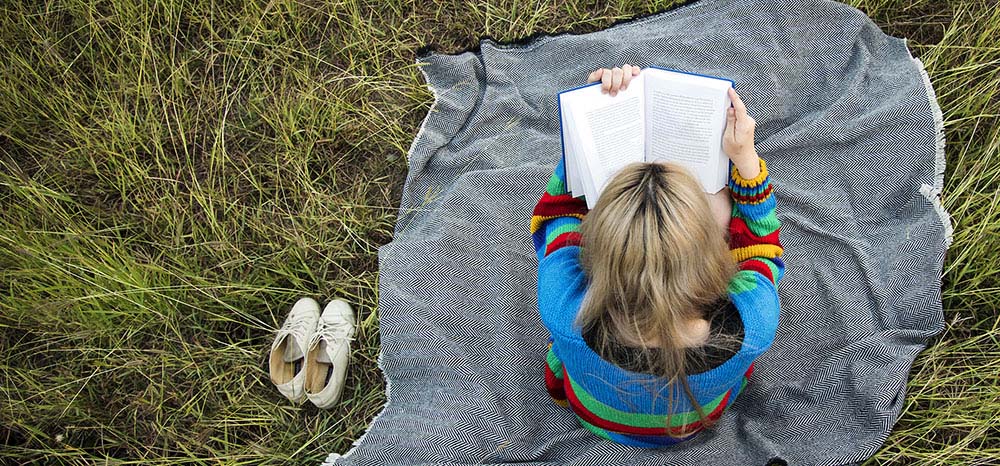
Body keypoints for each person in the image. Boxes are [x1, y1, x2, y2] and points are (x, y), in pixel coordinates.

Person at [531, 65, 784, 447]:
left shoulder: (562, 305)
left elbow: (558, 211)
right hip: (698, 418)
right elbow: (762, 247)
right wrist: (745, 164)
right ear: (717, 251)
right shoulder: (753, 324)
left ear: (597, 246)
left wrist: (587, 125)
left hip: (591, 410)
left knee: (560, 357)